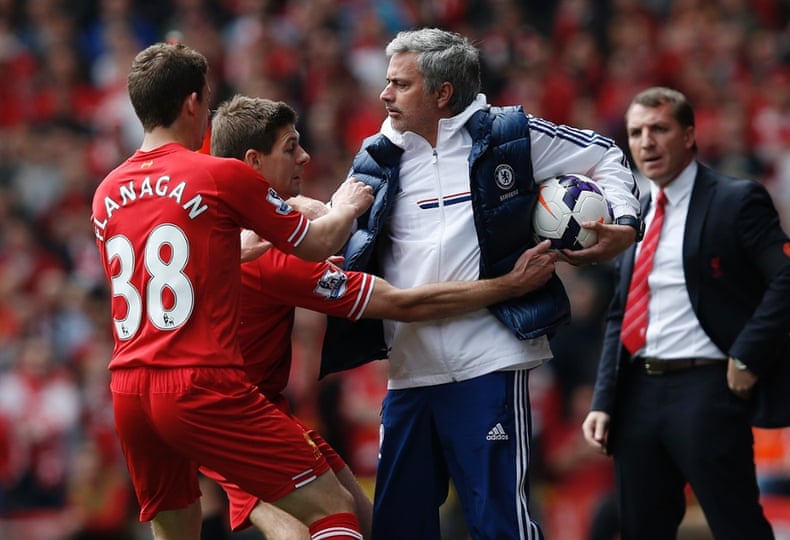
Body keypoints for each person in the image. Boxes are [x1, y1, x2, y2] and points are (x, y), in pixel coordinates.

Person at [320, 28, 642, 540]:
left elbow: (606, 153)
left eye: (399, 84)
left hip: (489, 363)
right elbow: (328, 231)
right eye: (387, 83)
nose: (385, 95)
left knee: (501, 527)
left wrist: (624, 224)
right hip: (409, 372)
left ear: (442, 92)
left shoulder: (510, 135)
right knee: (399, 529)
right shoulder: (378, 154)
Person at [203, 94, 559, 539]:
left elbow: (299, 233)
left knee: (365, 523)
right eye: (290, 147)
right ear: (253, 162)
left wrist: (324, 215)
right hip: (230, 417)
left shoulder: (238, 229)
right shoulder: (270, 256)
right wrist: (508, 287)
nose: (305, 156)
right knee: (322, 523)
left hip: (257, 408)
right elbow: (402, 304)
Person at [90, 42, 375, 540]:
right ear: (194, 102)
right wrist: (346, 206)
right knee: (333, 508)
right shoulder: (219, 174)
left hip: (129, 389)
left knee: (178, 535)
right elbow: (319, 245)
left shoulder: (106, 191)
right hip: (200, 381)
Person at [582, 86, 790, 540]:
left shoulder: (736, 199)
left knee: (738, 527)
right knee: (641, 530)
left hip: (707, 389)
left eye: (659, 129)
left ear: (689, 135)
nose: (646, 141)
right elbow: (620, 313)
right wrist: (603, 400)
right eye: (636, 132)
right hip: (637, 395)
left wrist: (748, 355)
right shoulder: (632, 212)